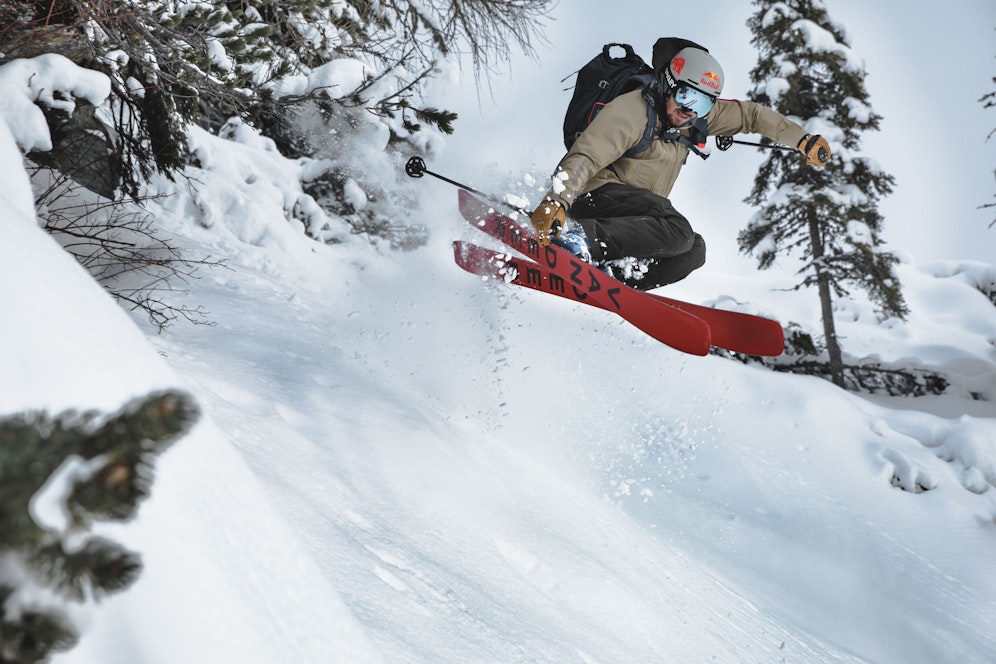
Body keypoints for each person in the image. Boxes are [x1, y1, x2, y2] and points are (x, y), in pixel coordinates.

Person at [530, 39, 831, 290]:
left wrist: (802, 140)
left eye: (702, 104)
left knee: (693, 250)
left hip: (634, 214)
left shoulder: (692, 118)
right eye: (686, 96)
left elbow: (750, 115)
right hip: (592, 197)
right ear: (667, 85)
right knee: (678, 229)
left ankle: (612, 283)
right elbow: (585, 155)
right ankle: (578, 240)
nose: (690, 111)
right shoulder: (632, 111)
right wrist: (556, 201)